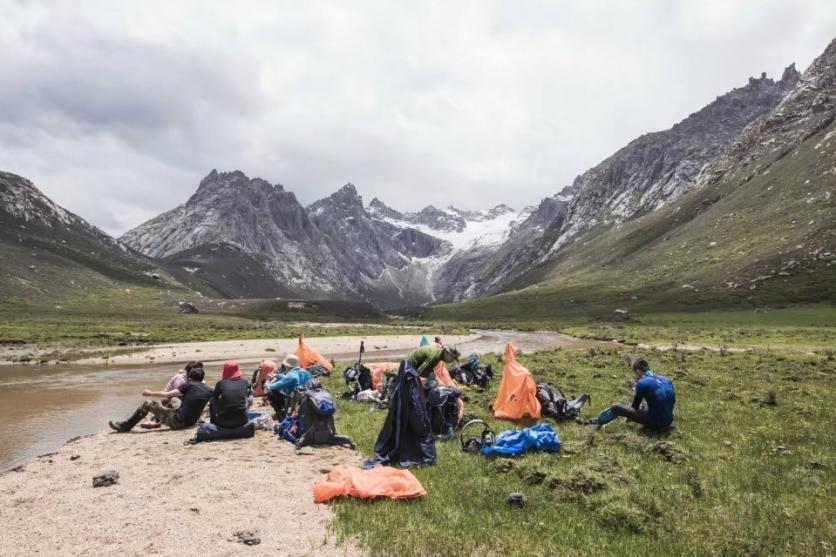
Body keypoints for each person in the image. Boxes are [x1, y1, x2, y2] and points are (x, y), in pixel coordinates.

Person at [109, 366, 212, 432]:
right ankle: (158, 417)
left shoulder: (188, 386)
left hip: (177, 422)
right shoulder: (209, 389)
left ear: (189, 378)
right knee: (174, 400)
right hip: (191, 422)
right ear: (202, 378)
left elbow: (166, 394)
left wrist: (150, 393)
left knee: (148, 403)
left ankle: (125, 426)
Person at [596, 357, 676, 430]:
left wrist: (628, 417)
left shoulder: (641, 383)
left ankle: (598, 422)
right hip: (669, 421)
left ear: (638, 372)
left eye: (635, 374)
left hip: (657, 424)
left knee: (616, 407)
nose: (636, 377)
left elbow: (635, 407)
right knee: (645, 405)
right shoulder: (666, 379)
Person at [264, 354, 312, 418]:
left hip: (294, 399)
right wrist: (278, 376)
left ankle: (281, 412)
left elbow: (276, 386)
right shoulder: (303, 371)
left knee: (270, 392)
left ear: (286, 365)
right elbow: (288, 379)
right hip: (305, 397)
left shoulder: (291, 376)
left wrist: (267, 383)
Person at [209, 361, 251, 429]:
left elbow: (214, 398)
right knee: (248, 397)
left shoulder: (220, 383)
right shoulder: (244, 382)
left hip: (223, 423)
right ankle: (243, 414)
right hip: (243, 421)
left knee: (212, 400)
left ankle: (213, 421)